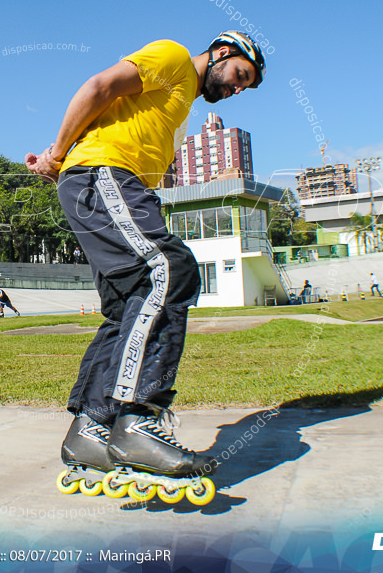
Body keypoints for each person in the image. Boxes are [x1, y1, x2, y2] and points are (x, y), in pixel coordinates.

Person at [26, 32, 266, 490]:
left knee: (128, 305)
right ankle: (136, 419)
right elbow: (100, 87)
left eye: (244, 88)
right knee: (170, 269)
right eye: (239, 76)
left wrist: (60, 161)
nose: (237, 89)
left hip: (104, 180)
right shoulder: (174, 58)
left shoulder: (181, 102)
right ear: (221, 52)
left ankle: (90, 429)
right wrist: (58, 153)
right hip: (106, 175)